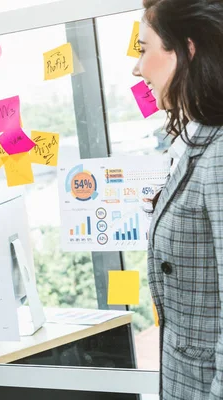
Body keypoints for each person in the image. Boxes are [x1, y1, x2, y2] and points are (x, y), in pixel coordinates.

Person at [133, 0, 223, 398]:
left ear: (186, 50)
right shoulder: (196, 140)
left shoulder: (220, 154)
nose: (137, 67)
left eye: (143, 48)